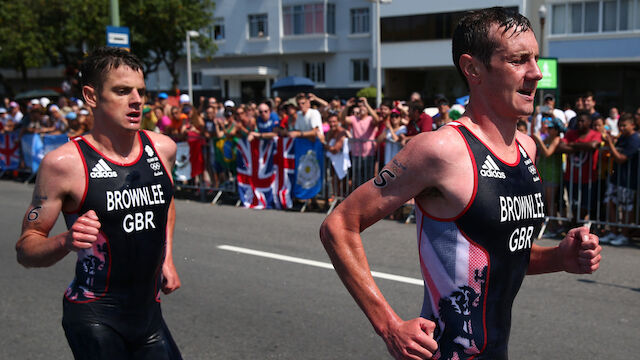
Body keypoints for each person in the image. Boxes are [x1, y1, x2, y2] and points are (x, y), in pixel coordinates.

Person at [319, 8, 601, 360]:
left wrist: (561, 257)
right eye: (518, 60)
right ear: (473, 69)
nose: (536, 73)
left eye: (535, 59)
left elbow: (501, 254)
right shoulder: (439, 149)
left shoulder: (526, 148)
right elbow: (339, 225)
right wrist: (388, 325)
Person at [15, 47, 182, 359]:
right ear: (91, 96)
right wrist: (66, 240)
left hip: (149, 315)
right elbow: (26, 249)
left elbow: (166, 202)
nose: (136, 100)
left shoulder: (163, 148)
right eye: (122, 91)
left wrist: (167, 257)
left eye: (140, 91)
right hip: (94, 317)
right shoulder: (64, 164)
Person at [600, 113, 640, 246]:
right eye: (620, 125)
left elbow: (621, 158)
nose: (621, 128)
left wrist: (610, 144)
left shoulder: (635, 139)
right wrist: (611, 142)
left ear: (632, 125)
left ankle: (624, 234)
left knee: (626, 207)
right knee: (610, 202)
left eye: (624, 125)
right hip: (616, 178)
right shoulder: (623, 137)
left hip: (627, 181)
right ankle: (613, 231)